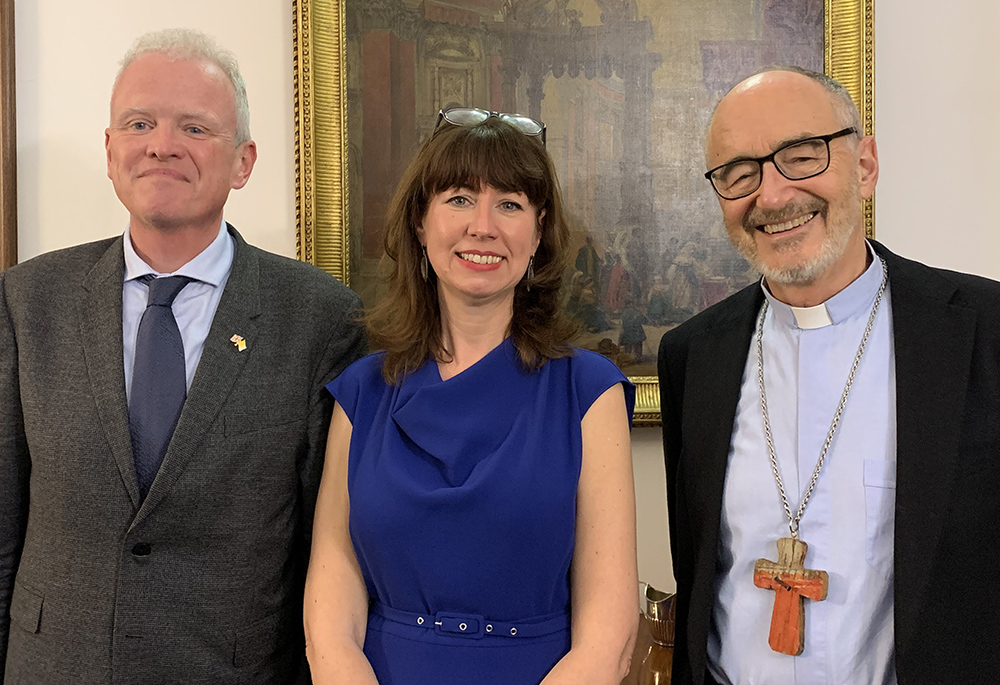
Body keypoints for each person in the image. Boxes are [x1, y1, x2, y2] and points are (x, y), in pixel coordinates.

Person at [0, 29, 365, 683]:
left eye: (194, 128)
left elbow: (327, 547)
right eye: (139, 123)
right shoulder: (28, 299)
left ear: (244, 161)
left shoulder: (320, 316)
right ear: (111, 150)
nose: (161, 145)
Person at [658, 66, 1000, 684]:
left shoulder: (987, 331)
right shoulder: (691, 357)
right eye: (739, 173)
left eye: (801, 155)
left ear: (864, 166)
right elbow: (697, 572)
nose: (772, 195)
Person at [303, 108, 638, 684]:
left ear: (537, 233)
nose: (482, 226)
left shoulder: (588, 391)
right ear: (419, 223)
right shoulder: (361, 391)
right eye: (459, 199)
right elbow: (331, 603)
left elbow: (608, 629)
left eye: (509, 204)